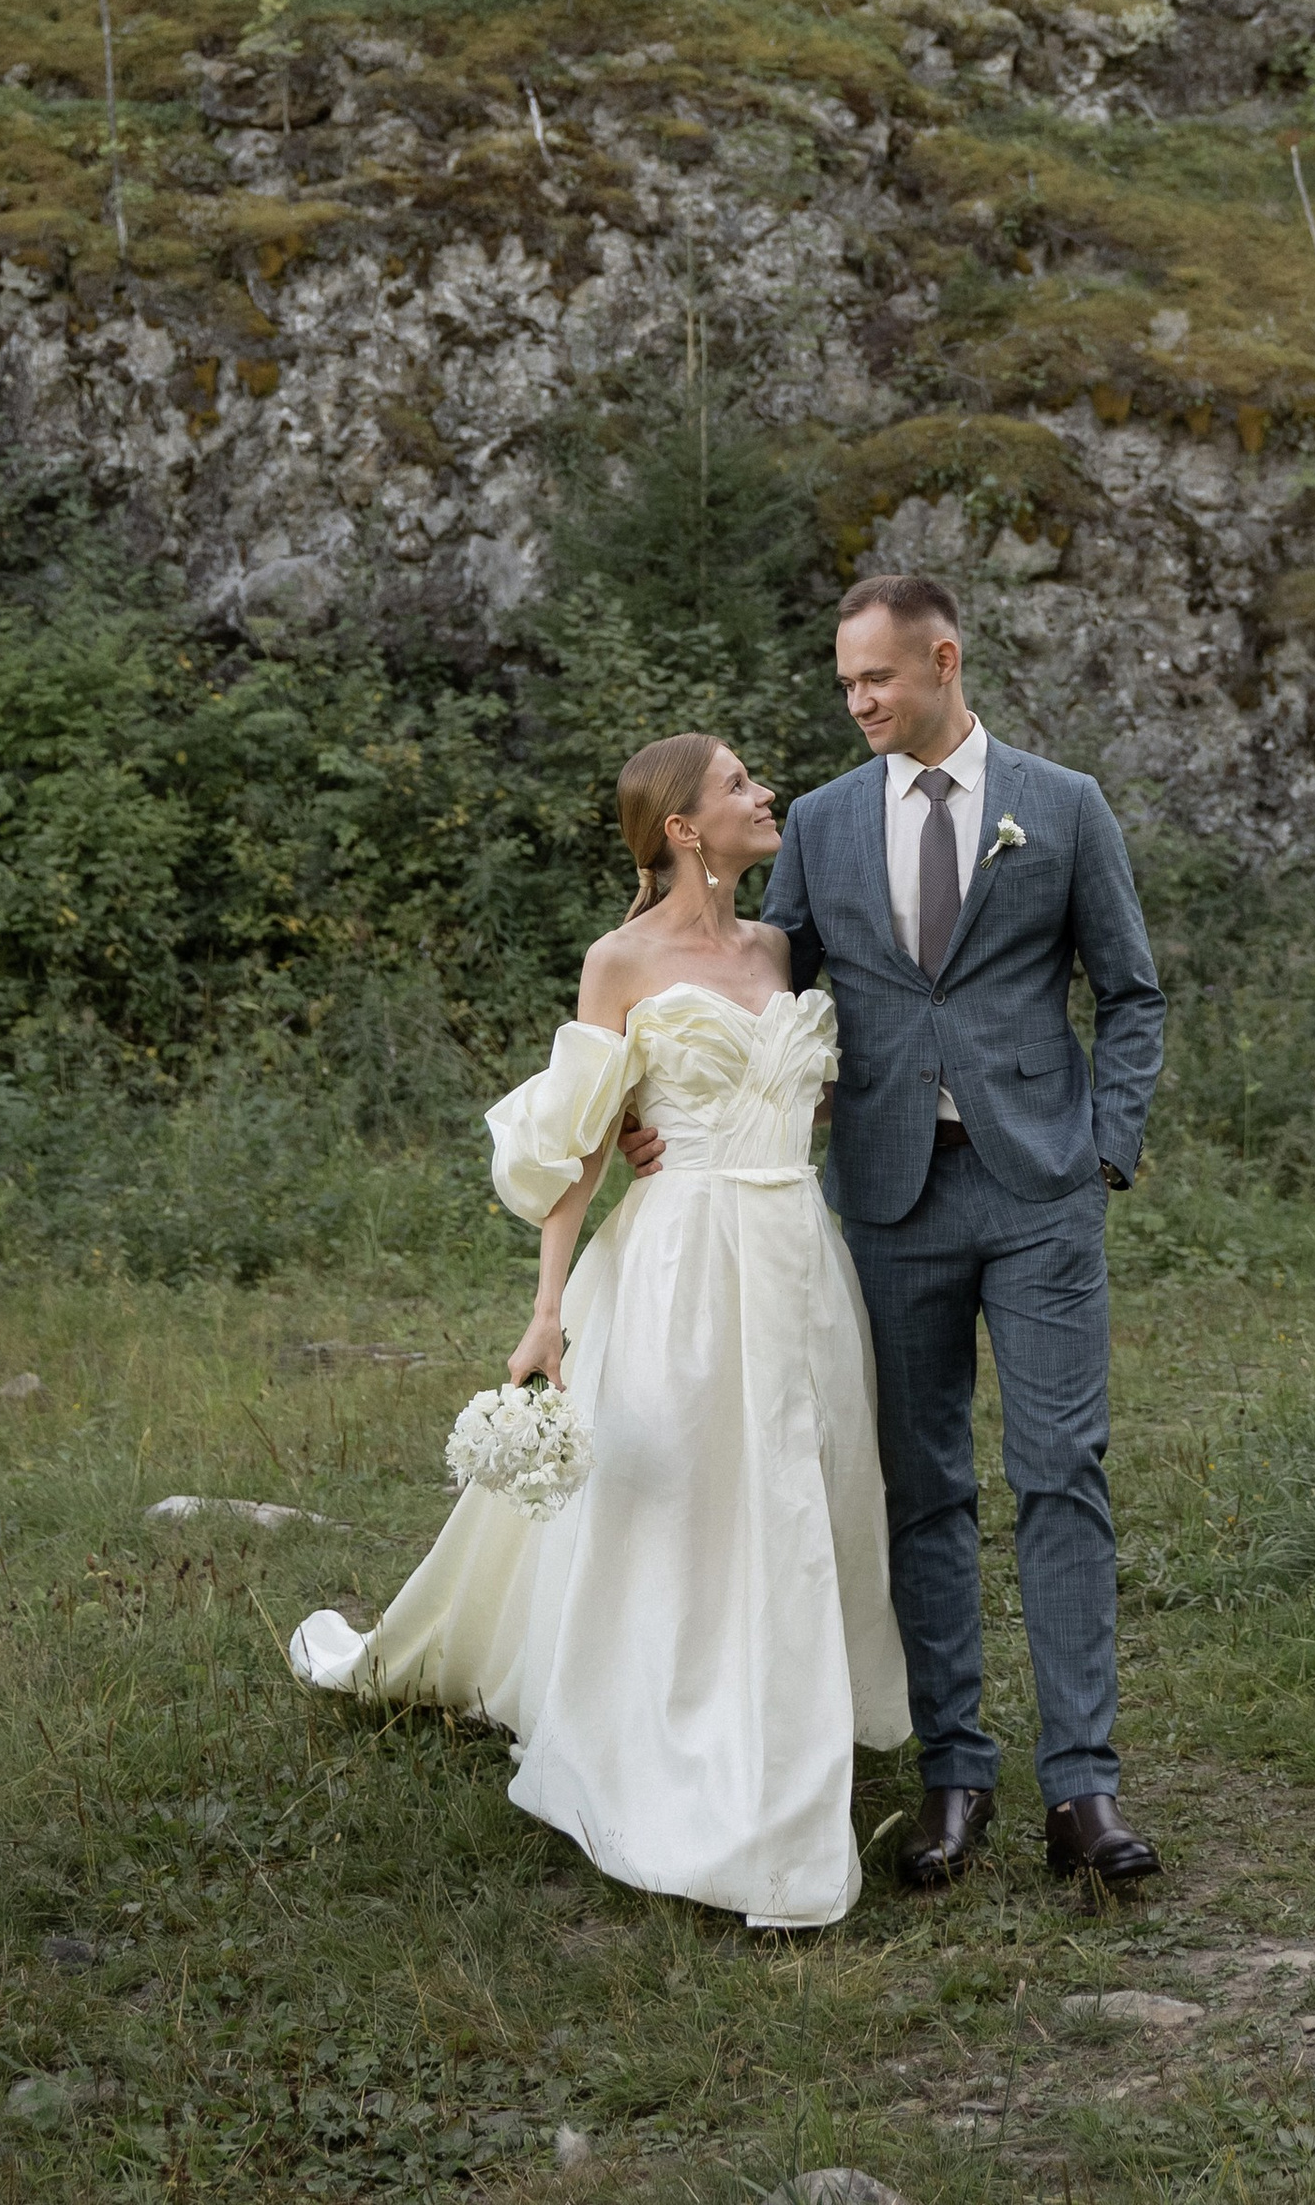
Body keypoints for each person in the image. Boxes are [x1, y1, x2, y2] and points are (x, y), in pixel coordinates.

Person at [287, 732, 909, 1929]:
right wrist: (543, 1318)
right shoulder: (618, 961)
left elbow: (802, 1086)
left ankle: (787, 1720)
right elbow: (577, 1145)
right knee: (683, 1497)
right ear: (682, 828)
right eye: (737, 785)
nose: (763, 793)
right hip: (678, 1265)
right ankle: (669, 1733)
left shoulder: (780, 946)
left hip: (796, 1257)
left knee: (796, 1490)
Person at [619, 572, 1167, 1895]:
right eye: (845, 683)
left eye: (876, 678)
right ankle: (956, 1774)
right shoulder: (815, 822)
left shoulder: (1066, 807)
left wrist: (1105, 1145)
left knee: (1061, 1473)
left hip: (1040, 1189)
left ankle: (1081, 1789)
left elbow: (1133, 993)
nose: (857, 702)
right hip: (887, 1195)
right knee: (917, 1489)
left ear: (943, 659)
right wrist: (655, 1103)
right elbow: (753, 980)